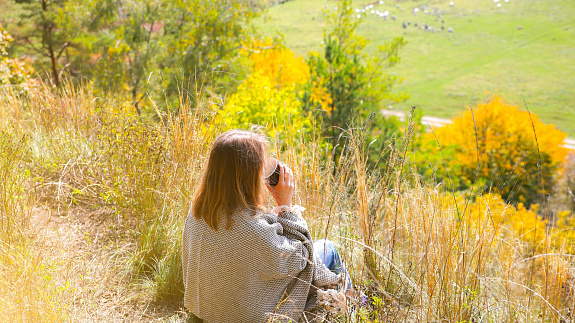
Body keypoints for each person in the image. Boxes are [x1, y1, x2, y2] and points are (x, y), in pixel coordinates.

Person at [181, 130, 350, 323]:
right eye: (261, 167)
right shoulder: (253, 229)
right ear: (248, 175)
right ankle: (352, 310)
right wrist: (285, 205)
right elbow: (302, 258)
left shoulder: (198, 210)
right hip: (247, 318)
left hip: (206, 314)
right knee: (330, 249)